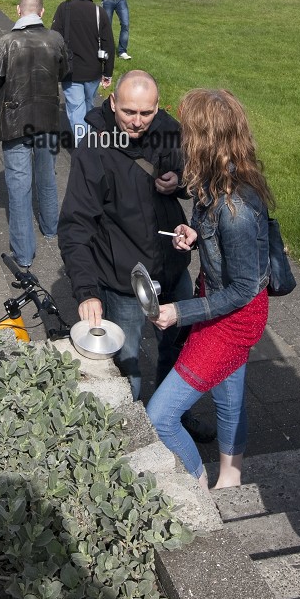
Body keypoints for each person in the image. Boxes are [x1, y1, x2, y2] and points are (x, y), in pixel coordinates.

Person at [147, 88, 274, 489]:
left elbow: (241, 289)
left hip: (231, 318)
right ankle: (231, 479)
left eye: (187, 133)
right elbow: (226, 250)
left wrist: (178, 311)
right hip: (217, 304)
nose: (181, 139)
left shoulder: (235, 208)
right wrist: (195, 234)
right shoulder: (218, 182)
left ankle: (197, 484)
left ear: (204, 140)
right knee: (228, 396)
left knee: (160, 415)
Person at [60, 71, 198, 418]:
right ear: (112, 103)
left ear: (157, 107)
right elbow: (76, 225)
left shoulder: (168, 131)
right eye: (128, 112)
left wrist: (178, 182)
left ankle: (172, 416)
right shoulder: (93, 150)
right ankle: (129, 431)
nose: (137, 122)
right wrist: (86, 290)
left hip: (171, 268)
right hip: (125, 282)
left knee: (179, 348)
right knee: (128, 366)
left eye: (146, 113)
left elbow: (190, 174)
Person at [0, 0, 71, 269]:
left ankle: (23, 254)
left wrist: (1, 110)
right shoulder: (55, 40)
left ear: (19, 10)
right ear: (41, 12)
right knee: (46, 176)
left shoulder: (4, 42)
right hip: (47, 119)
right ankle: (51, 228)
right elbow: (65, 72)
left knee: (18, 188)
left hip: (16, 122)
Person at [50, 0, 115, 144]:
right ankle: (89, 143)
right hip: (93, 70)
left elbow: (54, 38)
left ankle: (84, 149)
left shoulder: (64, 9)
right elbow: (108, 43)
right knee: (87, 106)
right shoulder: (98, 12)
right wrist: (107, 72)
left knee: (76, 109)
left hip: (71, 71)